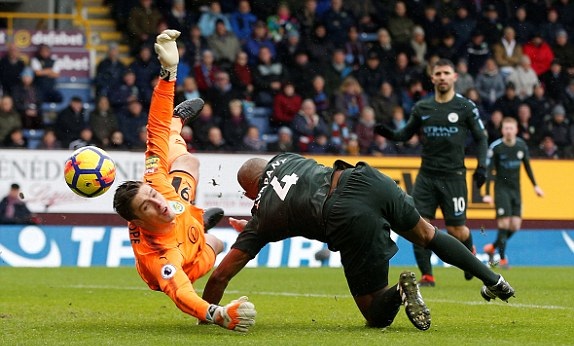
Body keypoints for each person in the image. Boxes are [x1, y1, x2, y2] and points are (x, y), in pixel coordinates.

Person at [201, 153, 515, 331]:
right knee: (427, 233)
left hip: (344, 213)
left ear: (250, 190)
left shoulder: (263, 213)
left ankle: (401, 290)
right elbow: (291, 195)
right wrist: (257, 222)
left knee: (375, 315)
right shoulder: (286, 158)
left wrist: (207, 314)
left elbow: (221, 275)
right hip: (365, 178)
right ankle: (494, 279)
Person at [112, 30, 256, 332]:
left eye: (151, 194)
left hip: (181, 217)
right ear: (138, 221)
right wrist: (216, 313)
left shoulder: (156, 185)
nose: (158, 201)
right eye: (148, 206)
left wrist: (168, 74)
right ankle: (200, 228)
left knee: (184, 157)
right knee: (217, 243)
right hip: (187, 255)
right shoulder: (162, 258)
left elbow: (154, 131)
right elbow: (181, 292)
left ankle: (178, 122)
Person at [374, 58, 488, 287]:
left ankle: (469, 258)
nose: (443, 77)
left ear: (455, 77)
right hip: (427, 176)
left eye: (447, 73)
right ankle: (428, 275)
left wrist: (482, 166)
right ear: (432, 78)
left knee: (457, 229)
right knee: (419, 225)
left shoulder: (465, 107)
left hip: (454, 176)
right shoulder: (422, 108)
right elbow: (405, 134)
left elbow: (482, 137)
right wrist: (389, 133)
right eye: (438, 73)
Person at [482, 117, 544, 269]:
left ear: (516, 130)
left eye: (511, 128)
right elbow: (490, 172)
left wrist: (535, 186)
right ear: (502, 130)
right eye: (506, 128)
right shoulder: (496, 147)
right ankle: (502, 260)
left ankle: (492, 248)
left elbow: (527, 166)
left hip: (516, 190)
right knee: (504, 223)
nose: (509, 131)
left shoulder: (521, 146)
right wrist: (488, 193)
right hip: (501, 190)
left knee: (515, 226)